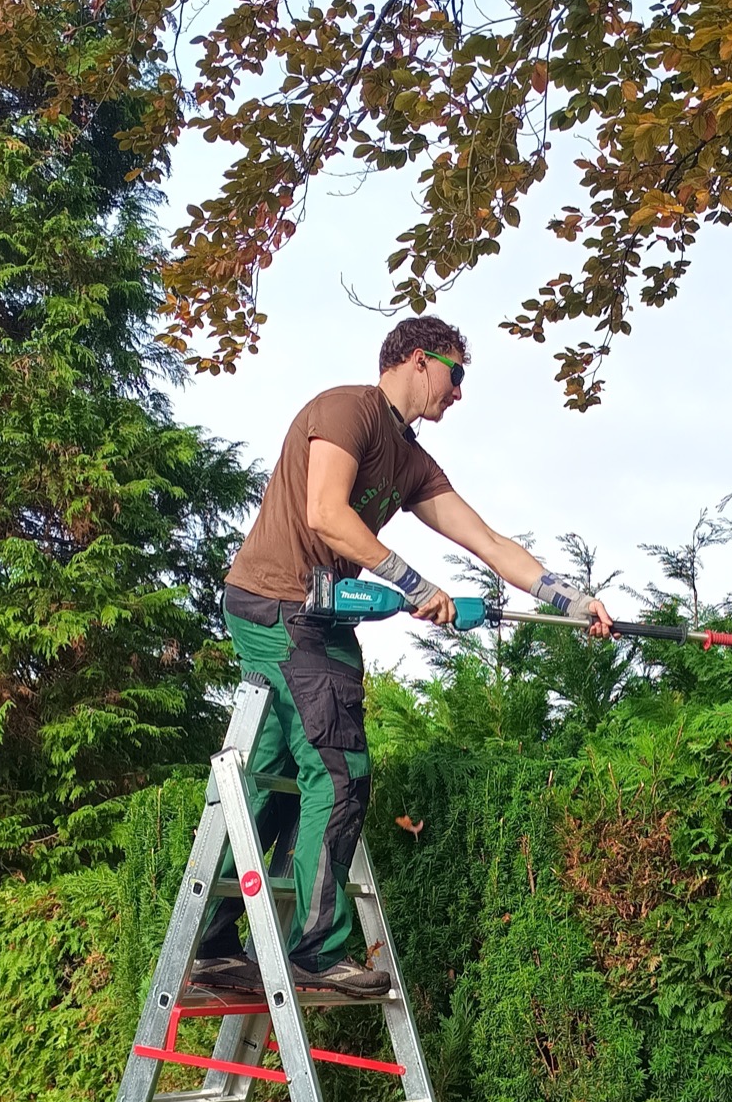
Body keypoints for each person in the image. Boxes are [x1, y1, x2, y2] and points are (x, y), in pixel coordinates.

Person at [189, 316, 614, 1002]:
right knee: (340, 769)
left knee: (269, 780)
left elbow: (491, 542)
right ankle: (315, 954)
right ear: (421, 359)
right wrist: (414, 584)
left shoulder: (412, 461)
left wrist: (571, 597)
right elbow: (326, 512)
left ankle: (210, 944)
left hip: (316, 613)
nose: (460, 392)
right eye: (458, 374)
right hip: (278, 602)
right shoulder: (346, 411)